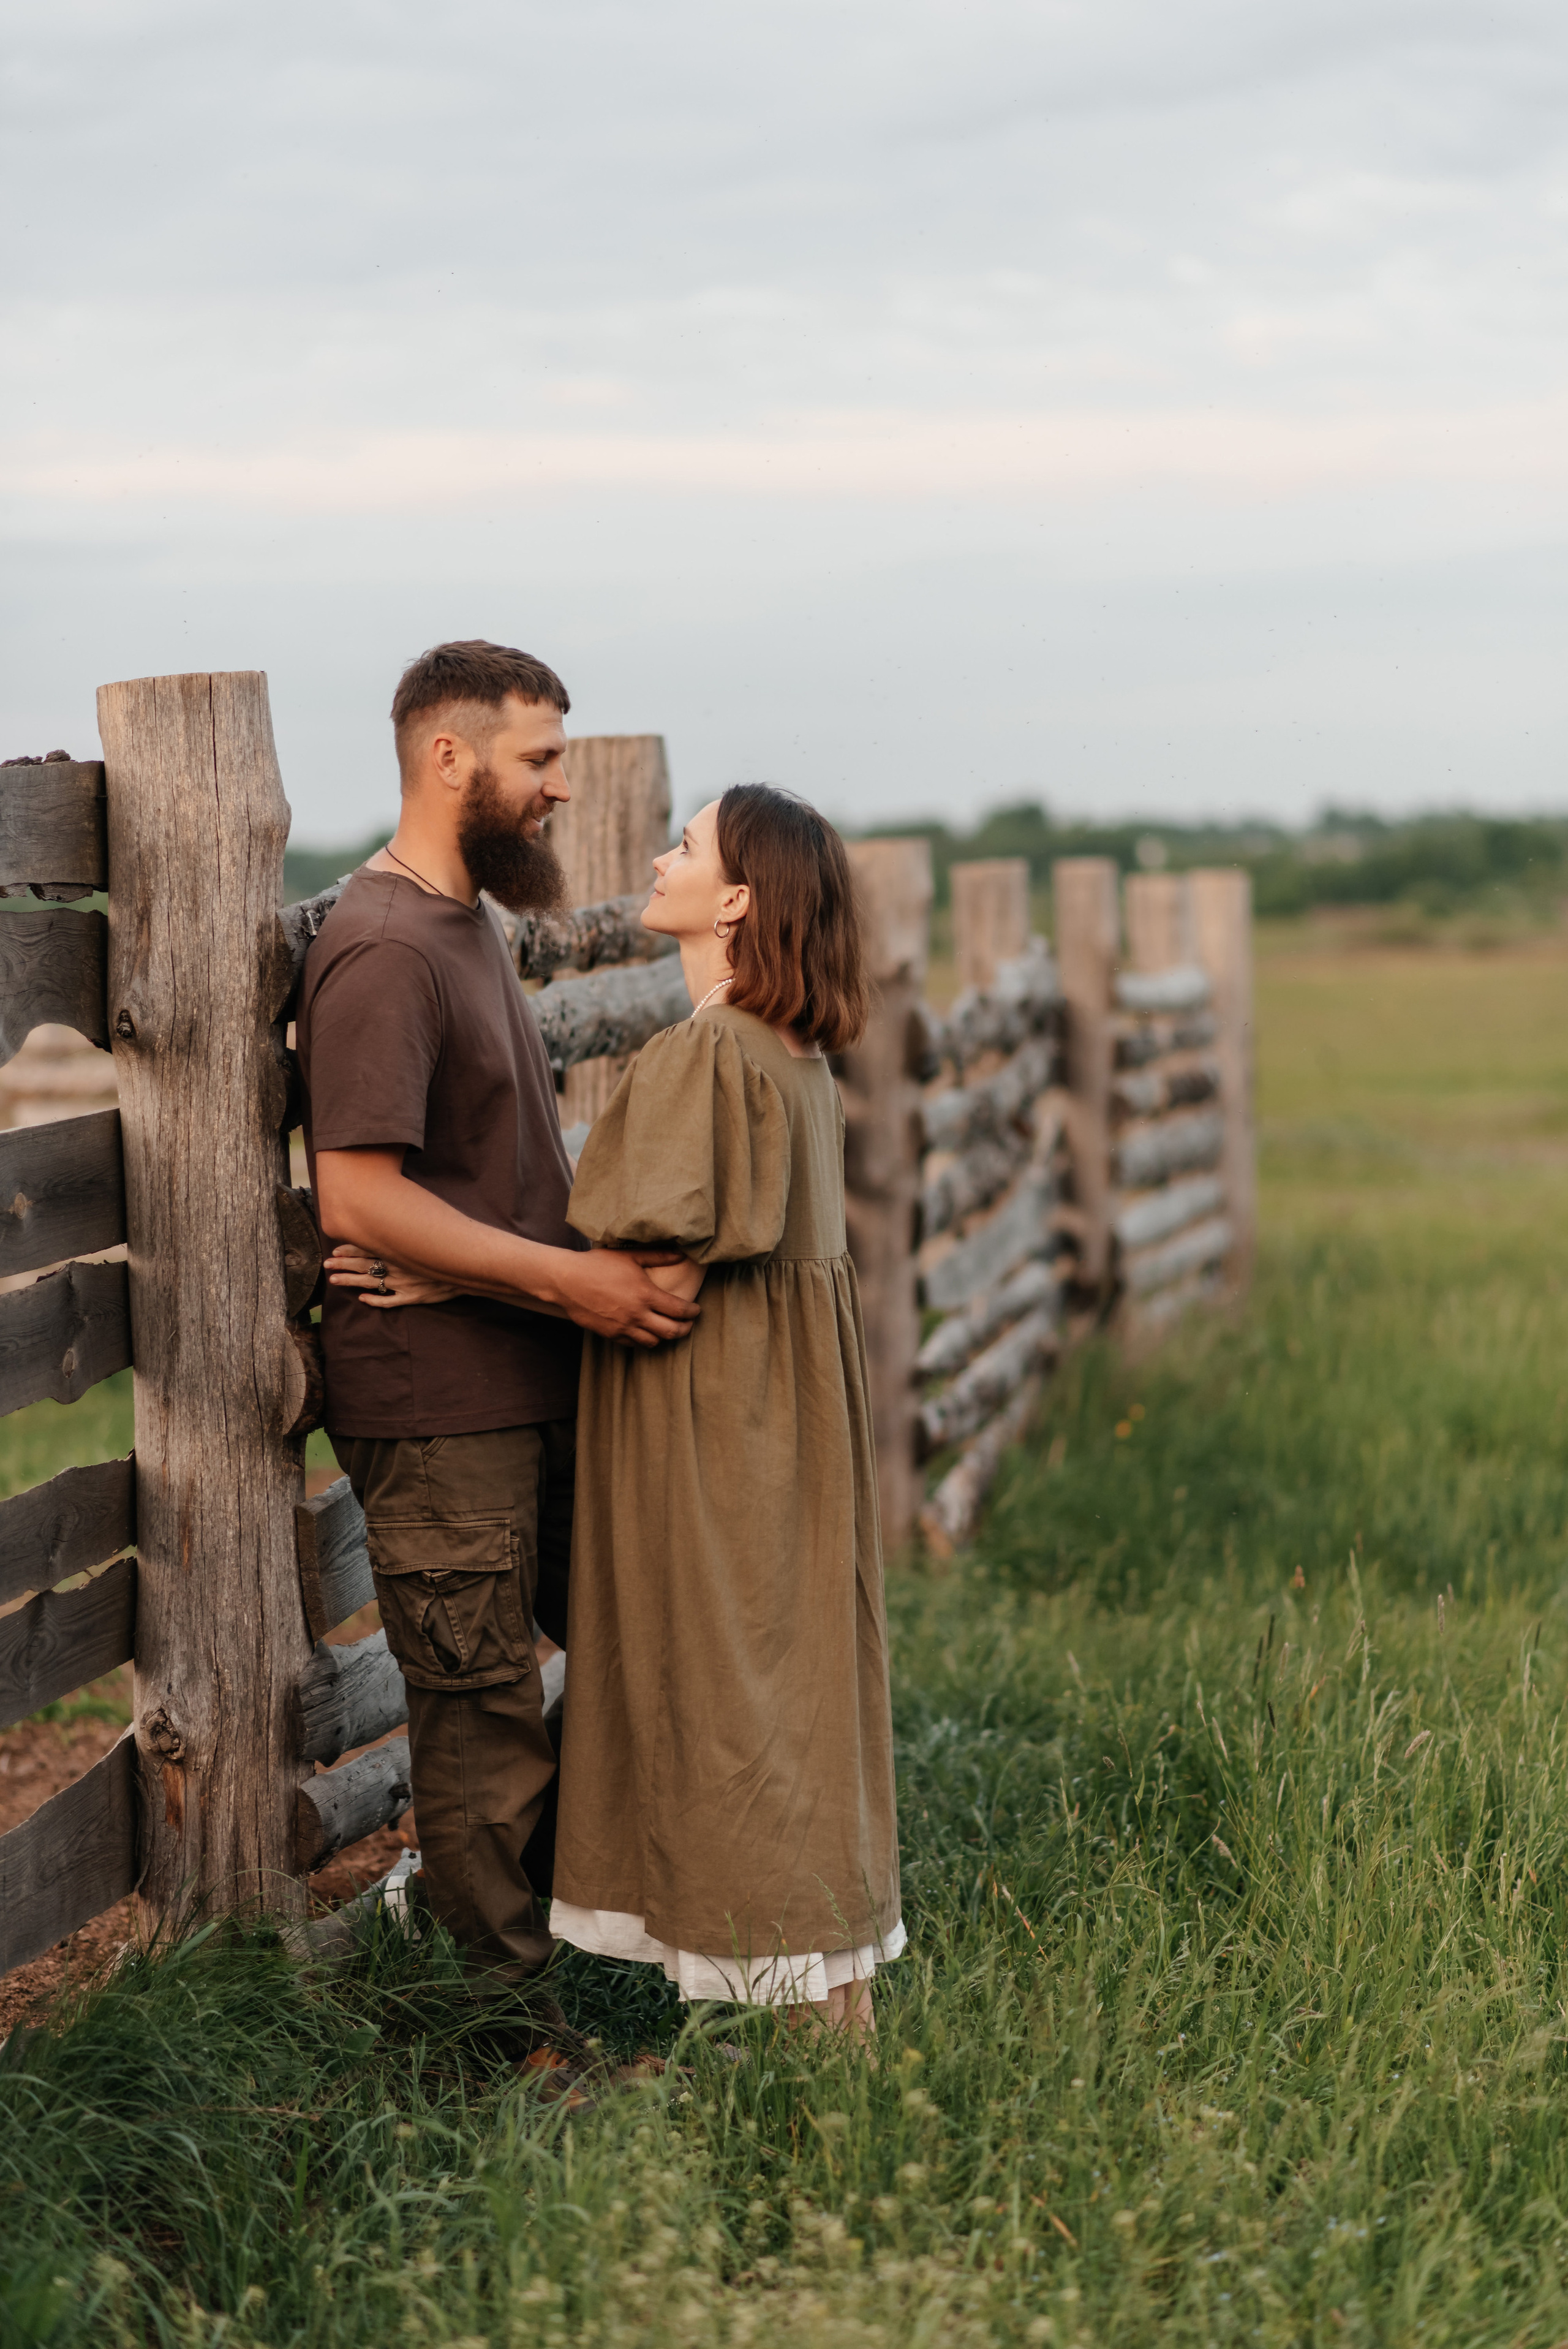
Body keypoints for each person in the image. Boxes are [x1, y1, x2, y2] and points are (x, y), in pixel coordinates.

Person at [298, 639, 698, 2018]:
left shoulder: (464, 926)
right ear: (447, 757)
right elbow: (355, 1194)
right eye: (538, 761)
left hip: (528, 1369)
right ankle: (499, 2034)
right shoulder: (382, 945)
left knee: (648, 1645)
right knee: (479, 1717)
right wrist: (561, 1281)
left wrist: (539, 1277)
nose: (560, 792)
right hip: (437, 1398)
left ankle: (563, 1929)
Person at [549, 785, 903, 2037]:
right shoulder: (795, 1061)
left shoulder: (709, 1053)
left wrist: (429, 1264)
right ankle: (834, 2033)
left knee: (731, 1695)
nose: (656, 857)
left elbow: (644, 1272)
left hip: (719, 1429)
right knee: (791, 1691)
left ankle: (799, 2044)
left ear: (739, 898)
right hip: (786, 1428)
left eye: (684, 846)